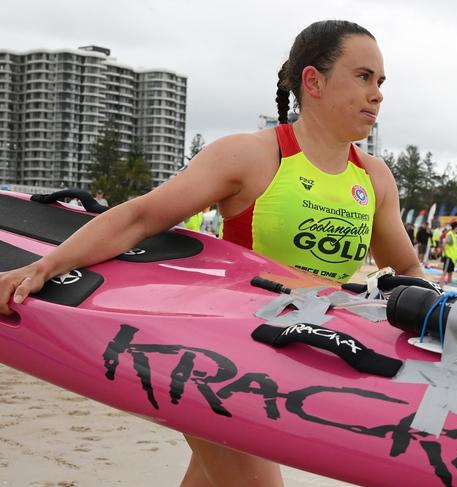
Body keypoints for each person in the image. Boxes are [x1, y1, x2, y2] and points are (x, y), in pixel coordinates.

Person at [0, 20, 425, 487]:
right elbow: (140, 218)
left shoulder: (374, 177)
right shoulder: (252, 156)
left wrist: (430, 317)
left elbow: (406, 267)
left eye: (380, 82)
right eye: (363, 76)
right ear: (314, 81)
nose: (377, 94)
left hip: (302, 357)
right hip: (222, 359)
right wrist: (46, 266)